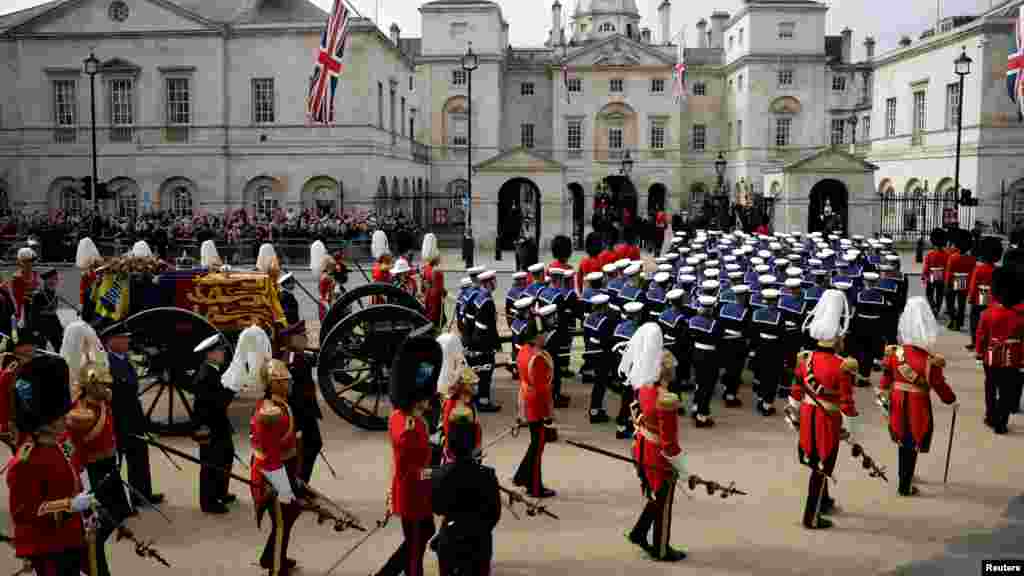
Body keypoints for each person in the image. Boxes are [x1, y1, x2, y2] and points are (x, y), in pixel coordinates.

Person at [7, 353, 88, 576]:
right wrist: (69, 505)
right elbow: (25, 512)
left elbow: (73, 475)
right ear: (46, 420)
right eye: (60, 417)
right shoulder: (26, 460)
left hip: (72, 537)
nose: (65, 420)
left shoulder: (60, 443)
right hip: (49, 546)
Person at [62, 321, 130, 576]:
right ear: (91, 385)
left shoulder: (102, 407)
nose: (107, 388)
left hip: (108, 466)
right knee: (93, 529)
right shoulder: (82, 415)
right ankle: (91, 562)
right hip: (92, 471)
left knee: (119, 512)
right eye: (103, 385)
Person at [788, 289, 859, 530]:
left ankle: (824, 502)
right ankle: (812, 516)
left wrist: (792, 414)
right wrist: (851, 431)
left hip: (808, 415)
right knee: (822, 465)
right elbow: (847, 403)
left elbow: (796, 391)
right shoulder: (842, 366)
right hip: (828, 418)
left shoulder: (805, 358)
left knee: (815, 460)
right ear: (837, 338)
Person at [878, 297, 958, 496]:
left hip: (897, 399)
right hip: (917, 403)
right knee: (913, 439)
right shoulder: (930, 361)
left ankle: (905, 476)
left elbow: (886, 376)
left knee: (902, 440)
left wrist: (883, 392)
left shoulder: (895, 353)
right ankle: (905, 485)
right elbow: (939, 386)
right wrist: (951, 400)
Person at [376, 330, 440, 576]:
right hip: (414, 496)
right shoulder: (410, 429)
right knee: (415, 550)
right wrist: (435, 473)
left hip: (411, 493)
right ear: (417, 398)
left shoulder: (401, 418)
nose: (429, 401)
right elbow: (412, 472)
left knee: (421, 536)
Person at [623, 324, 688, 562]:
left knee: (654, 497)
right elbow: (670, 443)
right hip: (658, 455)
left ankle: (639, 532)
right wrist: (683, 468)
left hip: (641, 447)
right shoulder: (666, 400)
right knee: (663, 503)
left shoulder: (643, 389)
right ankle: (661, 549)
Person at [430, 406, 502, 576]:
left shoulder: (439, 474)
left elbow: (438, 507)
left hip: (451, 539)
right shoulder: (487, 474)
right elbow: (494, 515)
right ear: (473, 445)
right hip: (479, 542)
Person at [250, 353, 302, 575]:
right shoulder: (269, 414)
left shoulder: (281, 405)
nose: (290, 383)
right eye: (285, 381)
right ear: (275, 384)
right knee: (282, 522)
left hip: (284, 469)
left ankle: (272, 556)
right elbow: (271, 457)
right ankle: (276, 568)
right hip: (273, 474)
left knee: (291, 514)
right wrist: (281, 486)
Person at [101, 323, 164, 507]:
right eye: (123, 338)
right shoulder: (106, 363)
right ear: (111, 341)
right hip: (118, 420)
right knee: (117, 463)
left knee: (139, 458)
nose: (127, 341)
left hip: (134, 417)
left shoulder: (124, 359)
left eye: (127, 337)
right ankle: (118, 502)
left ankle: (142, 495)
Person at [513, 302, 556, 498]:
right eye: (544, 334)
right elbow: (543, 390)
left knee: (534, 444)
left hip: (527, 401)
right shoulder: (538, 358)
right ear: (537, 336)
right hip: (537, 406)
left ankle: (522, 476)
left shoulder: (524, 351)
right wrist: (549, 414)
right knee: (538, 447)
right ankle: (535, 487)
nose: (546, 337)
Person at [974, 267, 1022, 434]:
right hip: (1013, 357)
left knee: (991, 387)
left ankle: (991, 416)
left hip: (992, 355)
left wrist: (979, 352)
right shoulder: (1020, 314)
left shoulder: (988, 313)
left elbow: (981, 336)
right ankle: (1001, 421)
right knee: (1008, 391)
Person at [192, 333, 235, 514]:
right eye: (219, 351)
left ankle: (220, 493)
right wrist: (232, 390)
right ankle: (209, 501)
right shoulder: (205, 375)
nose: (222, 354)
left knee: (225, 458)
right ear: (210, 354)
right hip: (210, 428)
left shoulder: (212, 371)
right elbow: (218, 403)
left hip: (219, 425)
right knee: (211, 464)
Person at [280, 321, 321, 484]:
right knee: (306, 448)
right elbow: (291, 392)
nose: (305, 339)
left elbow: (315, 358)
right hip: (300, 414)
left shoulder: (298, 355)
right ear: (292, 339)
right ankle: (299, 485)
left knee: (311, 446)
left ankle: (301, 484)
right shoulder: (292, 360)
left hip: (306, 412)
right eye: (302, 336)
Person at [435, 333, 481, 463]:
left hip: (450, 409)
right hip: (454, 409)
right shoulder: (454, 365)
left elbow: (472, 384)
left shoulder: (437, 367)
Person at [966, 236, 1002, 351]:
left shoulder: (979, 269)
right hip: (992, 297)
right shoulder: (998, 270)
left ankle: (974, 341)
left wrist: (971, 298)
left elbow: (973, 286)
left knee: (975, 320)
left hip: (980, 296)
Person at [718, 284, 751, 408]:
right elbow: (748, 331)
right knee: (735, 371)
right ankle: (730, 396)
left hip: (724, 343)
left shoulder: (724, 308)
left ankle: (726, 388)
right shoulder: (745, 311)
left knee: (727, 368)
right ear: (743, 296)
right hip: (737, 344)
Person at [584, 293, 615, 424]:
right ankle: (595, 411)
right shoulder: (606, 321)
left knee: (598, 384)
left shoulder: (589, 318)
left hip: (591, 353)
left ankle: (595, 409)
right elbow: (606, 341)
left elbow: (586, 336)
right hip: (601, 355)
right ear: (604, 306)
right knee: (600, 385)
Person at [944, 230, 975, 331]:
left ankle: (953, 320)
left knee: (950, 303)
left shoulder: (952, 257)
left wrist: (946, 285)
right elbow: (972, 273)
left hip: (954, 281)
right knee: (961, 304)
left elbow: (949, 272)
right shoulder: (972, 258)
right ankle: (959, 321)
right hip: (965, 281)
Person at [29, 269, 62, 351]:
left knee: (60, 348)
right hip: (42, 326)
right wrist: (34, 329)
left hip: (54, 326)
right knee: (41, 350)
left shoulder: (54, 293)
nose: (54, 281)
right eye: (52, 279)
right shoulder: (38, 295)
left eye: (56, 279)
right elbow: (33, 314)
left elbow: (53, 313)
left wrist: (60, 327)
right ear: (45, 280)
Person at [420, 233, 446, 329]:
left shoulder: (426, 268)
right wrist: (444, 292)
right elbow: (439, 290)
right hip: (435, 300)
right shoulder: (437, 271)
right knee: (436, 323)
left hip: (428, 297)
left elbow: (422, 288)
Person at [11, 247, 39, 328]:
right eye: (28, 261)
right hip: (24, 311)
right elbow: (18, 299)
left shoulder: (35, 274)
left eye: (32, 261)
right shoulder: (17, 277)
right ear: (21, 262)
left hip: (35, 309)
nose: (31, 263)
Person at [923, 228, 948, 315]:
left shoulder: (930, 254)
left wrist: (924, 276)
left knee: (929, 293)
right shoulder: (947, 254)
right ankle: (937, 308)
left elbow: (926, 268)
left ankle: (933, 306)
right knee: (939, 294)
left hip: (932, 276)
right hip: (942, 277)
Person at [312, 241, 337, 321]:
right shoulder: (326, 277)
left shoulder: (325, 275)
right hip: (326, 301)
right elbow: (328, 292)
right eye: (333, 266)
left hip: (326, 299)